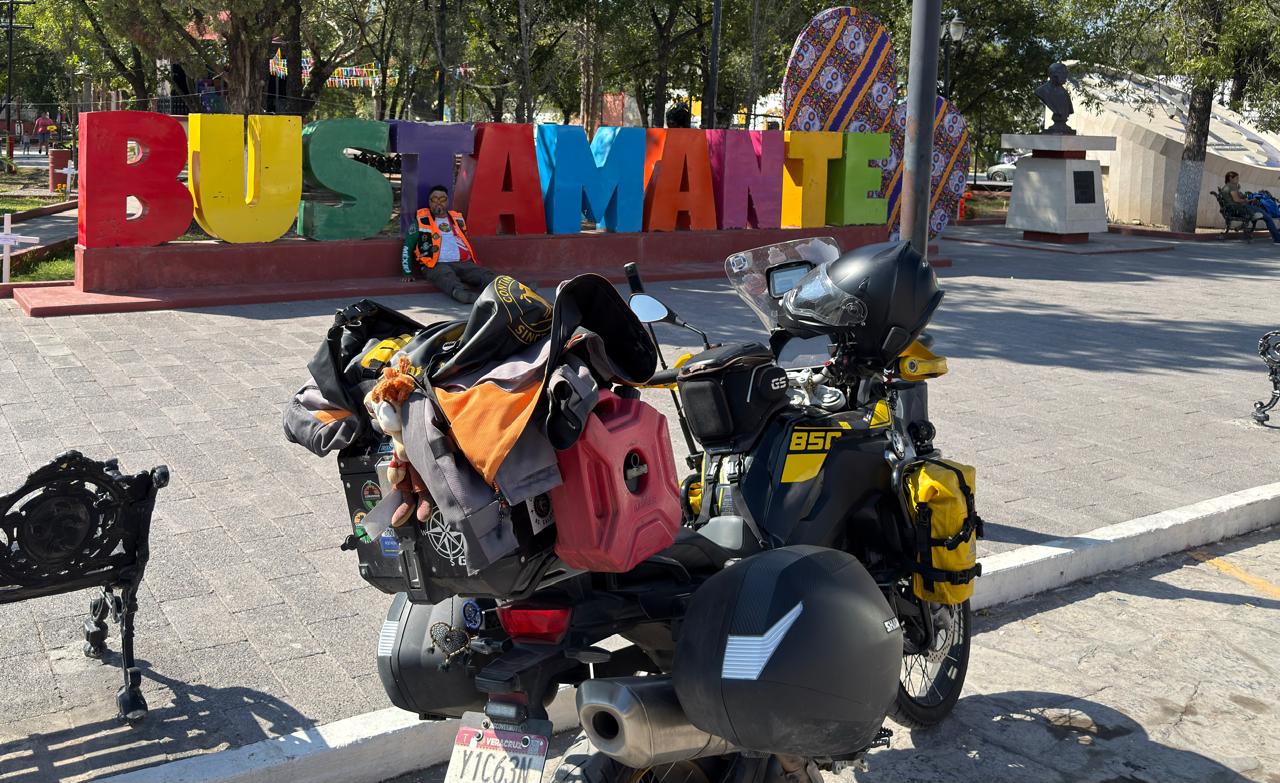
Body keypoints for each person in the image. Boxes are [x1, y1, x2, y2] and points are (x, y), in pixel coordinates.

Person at [401, 185, 496, 304]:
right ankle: (461, 294)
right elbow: (407, 246)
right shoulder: (420, 221)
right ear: (429, 202)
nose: (438, 203)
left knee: (483, 274)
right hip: (435, 264)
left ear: (448, 201)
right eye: (434, 199)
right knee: (445, 276)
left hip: (461, 262)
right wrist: (407, 272)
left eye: (442, 199)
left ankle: (507, 290)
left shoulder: (457, 220)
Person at [1222, 171, 1280, 243]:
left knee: (1261, 212)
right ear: (1230, 178)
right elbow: (1236, 200)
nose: (1238, 180)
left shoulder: (1226, 187)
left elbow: (1234, 199)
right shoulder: (1232, 186)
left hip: (1232, 210)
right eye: (1236, 178)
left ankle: (1252, 217)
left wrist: (1247, 199)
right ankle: (1277, 239)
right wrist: (1246, 200)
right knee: (1267, 217)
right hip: (1239, 209)